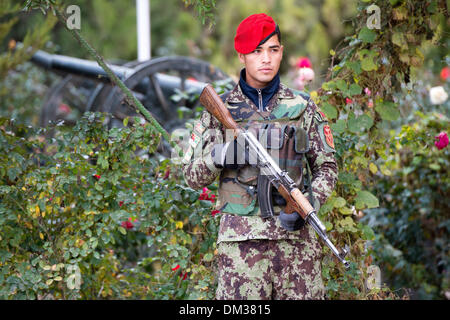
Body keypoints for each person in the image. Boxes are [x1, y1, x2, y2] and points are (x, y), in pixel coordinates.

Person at [181, 13, 338, 300]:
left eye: (273, 49)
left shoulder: (303, 107)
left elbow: (327, 167)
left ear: (281, 53)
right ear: (241, 55)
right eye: (256, 50)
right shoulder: (220, 111)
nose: (266, 58)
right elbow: (191, 174)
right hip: (240, 251)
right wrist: (221, 156)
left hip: (297, 247)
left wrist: (309, 202)